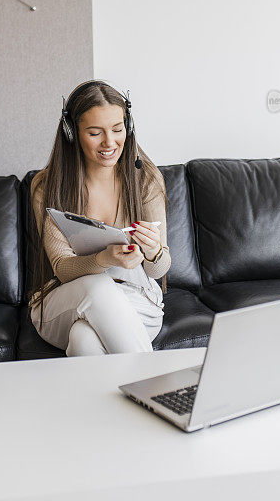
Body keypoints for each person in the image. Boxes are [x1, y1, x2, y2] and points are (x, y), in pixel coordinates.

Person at [28, 80, 171, 357]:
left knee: (84, 340)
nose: (110, 142)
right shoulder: (47, 187)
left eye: (118, 130)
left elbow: (159, 270)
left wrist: (153, 252)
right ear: (72, 133)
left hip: (136, 299)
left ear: (128, 129)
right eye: (95, 133)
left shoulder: (146, 180)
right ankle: (155, 387)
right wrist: (105, 259)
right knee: (98, 285)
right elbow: (61, 269)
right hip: (66, 300)